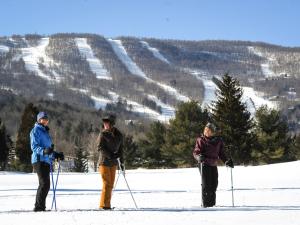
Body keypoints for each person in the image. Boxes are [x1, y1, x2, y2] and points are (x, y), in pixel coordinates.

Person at [193, 122, 234, 208]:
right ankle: (206, 205)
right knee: (206, 185)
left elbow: (221, 153)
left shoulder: (218, 141)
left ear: (213, 132)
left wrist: (226, 161)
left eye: (208, 130)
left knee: (214, 184)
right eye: (205, 130)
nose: (206, 132)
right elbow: (196, 152)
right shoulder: (201, 140)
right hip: (204, 164)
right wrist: (198, 157)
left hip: (213, 164)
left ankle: (212, 205)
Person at [30, 111, 64, 212]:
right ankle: (39, 207)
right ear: (39, 120)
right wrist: (44, 151)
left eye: (46, 119)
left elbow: (48, 149)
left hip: (46, 160)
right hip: (39, 160)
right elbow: (34, 147)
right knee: (44, 183)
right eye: (43, 119)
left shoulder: (45, 132)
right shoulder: (35, 130)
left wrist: (56, 154)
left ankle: (41, 206)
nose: (45, 121)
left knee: (46, 184)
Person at [97, 113, 124, 210]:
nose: (105, 124)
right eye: (104, 122)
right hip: (104, 162)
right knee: (106, 183)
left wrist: (122, 162)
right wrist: (111, 155)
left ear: (112, 123)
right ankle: (105, 206)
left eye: (107, 122)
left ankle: (105, 204)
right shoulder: (103, 134)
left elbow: (121, 150)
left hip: (113, 164)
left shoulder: (119, 135)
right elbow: (100, 148)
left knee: (111, 185)